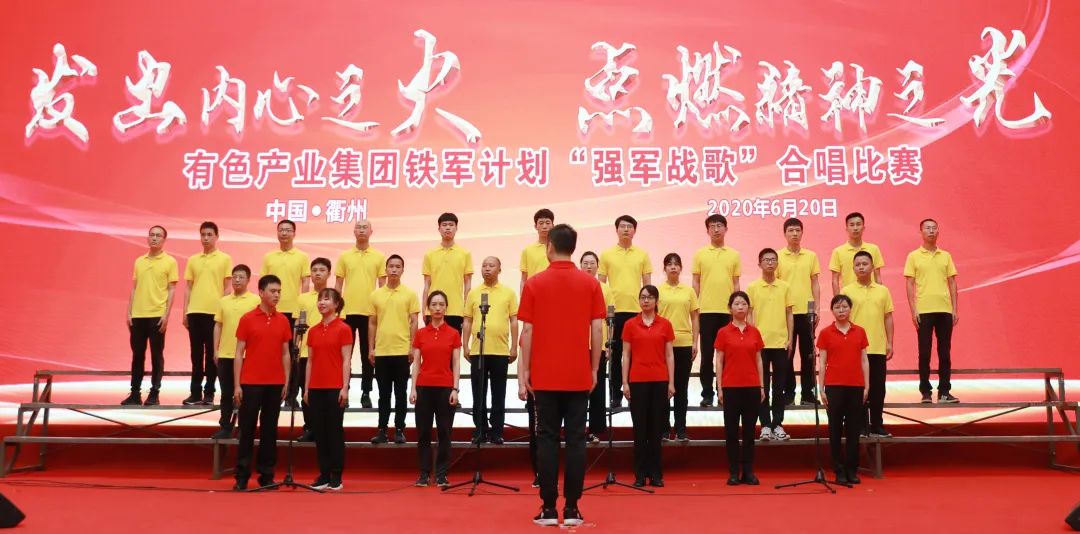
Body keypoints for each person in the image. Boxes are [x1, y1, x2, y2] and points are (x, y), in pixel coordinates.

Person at [518, 223, 604, 527]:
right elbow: (597, 329)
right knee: (577, 440)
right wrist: (593, 368)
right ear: (574, 248)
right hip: (578, 374)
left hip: (545, 375)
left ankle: (547, 507)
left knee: (547, 439)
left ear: (549, 247)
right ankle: (572, 508)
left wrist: (525, 370)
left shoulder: (534, 284)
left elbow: (527, 331)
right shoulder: (590, 284)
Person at [232, 275, 292, 491]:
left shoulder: (283, 320)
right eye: (272, 291)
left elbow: (285, 353)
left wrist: (286, 380)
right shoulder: (247, 319)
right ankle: (241, 476)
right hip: (250, 382)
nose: (276, 295)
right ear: (261, 292)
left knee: (270, 430)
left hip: (275, 383)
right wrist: (237, 384)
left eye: (279, 292)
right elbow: (239, 353)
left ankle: (266, 475)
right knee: (246, 429)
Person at [621, 285, 675, 488]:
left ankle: (656, 474)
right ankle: (639, 475)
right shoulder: (630, 324)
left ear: (656, 301)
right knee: (640, 430)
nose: (646, 301)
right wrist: (625, 382)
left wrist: (671, 382)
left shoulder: (665, 324)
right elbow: (626, 355)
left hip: (659, 380)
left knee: (655, 430)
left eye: (650, 297)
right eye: (643, 297)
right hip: (637, 381)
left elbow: (669, 354)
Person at [462, 257, 518, 445]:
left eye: (491, 266)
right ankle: (480, 430)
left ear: (499, 269)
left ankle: (497, 431)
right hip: (478, 351)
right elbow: (468, 320)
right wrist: (465, 345)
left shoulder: (508, 293)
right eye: (484, 265)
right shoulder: (474, 293)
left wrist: (514, 346)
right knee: (478, 393)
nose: (487, 269)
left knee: (498, 393)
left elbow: (513, 321)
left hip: (500, 351)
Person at [904, 218, 960, 403]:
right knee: (924, 352)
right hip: (924, 310)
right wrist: (913, 310)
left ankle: (944, 391)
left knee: (945, 352)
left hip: (944, 309)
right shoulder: (914, 256)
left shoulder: (946, 256)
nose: (931, 231)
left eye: (934, 228)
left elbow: (952, 283)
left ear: (938, 231)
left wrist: (954, 309)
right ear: (921, 232)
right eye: (927, 228)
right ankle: (925, 392)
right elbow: (909, 284)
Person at [410, 291, 462, 488]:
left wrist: (455, 388)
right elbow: (416, 362)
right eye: (434, 304)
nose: (438, 308)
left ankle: (441, 474)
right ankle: (424, 473)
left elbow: (456, 363)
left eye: (441, 304)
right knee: (423, 432)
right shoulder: (421, 334)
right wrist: (413, 388)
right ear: (428, 308)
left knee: (444, 432)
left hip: (445, 388)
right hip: (424, 387)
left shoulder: (453, 333)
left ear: (446, 308)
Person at [816, 294, 870, 485]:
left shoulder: (860, 332)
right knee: (835, 430)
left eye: (845, 307)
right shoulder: (825, 333)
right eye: (837, 307)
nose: (841, 310)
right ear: (832, 310)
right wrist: (821, 388)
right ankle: (838, 470)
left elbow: (864, 360)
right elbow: (822, 363)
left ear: (850, 309)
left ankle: (851, 470)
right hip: (834, 386)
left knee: (854, 430)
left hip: (856, 385)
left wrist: (866, 385)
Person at [598, 215, 651, 408]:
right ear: (616, 230)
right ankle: (615, 393)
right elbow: (601, 286)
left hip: (637, 311)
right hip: (614, 312)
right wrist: (604, 311)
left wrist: (648, 309)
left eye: (630, 226)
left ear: (634, 230)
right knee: (615, 354)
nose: (626, 229)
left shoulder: (642, 254)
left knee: (637, 355)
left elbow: (647, 286)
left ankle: (635, 392)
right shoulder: (607, 254)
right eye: (622, 226)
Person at [122, 225, 178, 406]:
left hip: (157, 315)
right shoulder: (139, 261)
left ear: (164, 240)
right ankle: (135, 393)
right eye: (152, 235)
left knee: (156, 355)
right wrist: (129, 311)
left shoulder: (170, 262)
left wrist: (166, 315)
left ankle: (154, 393)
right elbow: (135, 288)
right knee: (137, 355)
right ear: (147, 238)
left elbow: (172, 289)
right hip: (138, 315)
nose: (154, 238)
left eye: (158, 235)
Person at [842, 251, 895, 437]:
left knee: (878, 388)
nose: (861, 267)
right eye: (858, 264)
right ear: (853, 268)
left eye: (865, 264)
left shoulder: (883, 291)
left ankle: (877, 424)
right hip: (855, 348)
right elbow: (842, 319)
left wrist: (890, 342)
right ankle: (861, 425)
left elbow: (888, 317)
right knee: (858, 389)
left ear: (872, 267)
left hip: (877, 347)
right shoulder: (846, 291)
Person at [303, 288, 352, 491]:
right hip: (316, 387)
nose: (322, 303)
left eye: (326, 299)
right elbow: (310, 361)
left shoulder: (343, 328)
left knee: (334, 432)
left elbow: (346, 360)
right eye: (320, 299)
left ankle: (336, 475)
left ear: (336, 304)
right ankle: (323, 474)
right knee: (320, 433)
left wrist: (344, 387)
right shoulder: (313, 331)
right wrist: (307, 388)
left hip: (334, 388)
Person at [335, 219, 387, 409]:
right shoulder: (345, 256)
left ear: (371, 231)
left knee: (368, 355)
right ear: (354, 231)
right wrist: (336, 310)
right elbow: (338, 285)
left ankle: (366, 392)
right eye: (358, 227)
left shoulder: (379, 257)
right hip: (346, 313)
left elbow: (382, 286)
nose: (362, 230)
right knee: (344, 355)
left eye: (365, 227)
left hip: (370, 313)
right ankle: (344, 390)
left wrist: (381, 310)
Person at [369, 255, 420, 445]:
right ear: (386, 269)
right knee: (383, 394)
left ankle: (399, 429)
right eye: (391, 266)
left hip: (401, 351)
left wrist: (412, 347)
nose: (394, 270)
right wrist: (371, 348)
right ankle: (382, 430)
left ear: (403, 270)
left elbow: (414, 321)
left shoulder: (410, 294)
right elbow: (372, 323)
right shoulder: (376, 295)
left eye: (398, 266)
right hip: (382, 351)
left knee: (400, 393)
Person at [715, 291, 765, 485]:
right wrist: (719, 388)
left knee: (750, 432)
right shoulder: (723, 332)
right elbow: (719, 361)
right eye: (736, 304)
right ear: (730, 308)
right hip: (731, 387)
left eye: (744, 304)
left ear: (748, 308)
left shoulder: (755, 332)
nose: (740, 307)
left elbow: (759, 360)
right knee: (731, 432)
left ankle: (749, 472)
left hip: (752, 387)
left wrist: (762, 386)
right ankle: (734, 472)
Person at [260, 219, 311, 408]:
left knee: (292, 354)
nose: (284, 233)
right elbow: (264, 283)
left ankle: (291, 394)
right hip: (272, 311)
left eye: (288, 230)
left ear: (294, 233)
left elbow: (305, 283)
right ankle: (270, 391)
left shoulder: (302, 256)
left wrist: (303, 308)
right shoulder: (269, 257)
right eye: (281, 229)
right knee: (271, 352)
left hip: (293, 312)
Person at [693, 214, 741, 408]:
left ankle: (725, 391)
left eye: (719, 225)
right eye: (712, 226)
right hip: (706, 311)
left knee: (728, 355)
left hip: (727, 312)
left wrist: (737, 308)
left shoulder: (734, 255)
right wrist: (695, 307)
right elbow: (696, 283)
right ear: (707, 231)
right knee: (707, 356)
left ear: (726, 229)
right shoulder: (700, 254)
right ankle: (707, 394)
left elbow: (736, 283)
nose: (716, 229)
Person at [182, 221, 232, 406]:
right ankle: (195, 392)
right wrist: (185, 311)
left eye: (209, 234)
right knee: (195, 355)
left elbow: (227, 287)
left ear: (217, 236)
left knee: (212, 355)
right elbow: (188, 287)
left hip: (214, 313)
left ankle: (209, 393)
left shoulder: (225, 259)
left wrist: (223, 311)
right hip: (195, 311)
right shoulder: (193, 260)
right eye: (203, 234)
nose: (206, 238)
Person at [747, 248, 794, 441]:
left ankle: (778, 424)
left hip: (781, 342)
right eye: (766, 260)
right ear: (759, 264)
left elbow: (789, 313)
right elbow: (749, 314)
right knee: (762, 386)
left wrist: (790, 338)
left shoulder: (785, 287)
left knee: (779, 386)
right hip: (760, 344)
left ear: (777, 263)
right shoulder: (752, 288)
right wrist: (752, 338)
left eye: (773, 259)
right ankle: (765, 425)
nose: (770, 263)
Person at [211, 264, 260, 439]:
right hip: (226, 354)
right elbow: (218, 325)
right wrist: (215, 349)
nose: (237, 280)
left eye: (241, 277)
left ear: (248, 280)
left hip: (248, 356)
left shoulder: (255, 301)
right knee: (226, 393)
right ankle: (225, 426)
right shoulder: (223, 301)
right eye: (234, 277)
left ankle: (244, 427)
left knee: (247, 394)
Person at [776, 217, 820, 405]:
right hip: (786, 312)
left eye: (797, 230)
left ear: (802, 232)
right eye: (790, 230)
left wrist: (817, 307)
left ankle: (808, 394)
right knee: (787, 354)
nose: (794, 234)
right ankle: (788, 393)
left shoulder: (811, 256)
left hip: (807, 312)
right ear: (784, 233)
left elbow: (815, 283)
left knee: (808, 355)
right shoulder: (778, 256)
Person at [657, 253, 699, 441]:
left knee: (681, 388)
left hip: (684, 343)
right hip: (663, 344)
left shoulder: (689, 291)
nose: (673, 267)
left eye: (676, 264)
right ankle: (664, 429)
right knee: (663, 388)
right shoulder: (658, 290)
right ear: (664, 269)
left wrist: (695, 341)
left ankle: (681, 429)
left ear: (681, 268)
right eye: (669, 264)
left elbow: (695, 318)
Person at [295, 258, 333, 441]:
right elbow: (298, 322)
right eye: (314, 270)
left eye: (322, 270)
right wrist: (296, 345)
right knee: (306, 392)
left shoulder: (334, 297)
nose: (318, 273)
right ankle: (310, 427)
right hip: (305, 353)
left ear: (329, 273)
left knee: (326, 393)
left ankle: (325, 427)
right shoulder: (303, 298)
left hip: (328, 354)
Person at [580, 251, 612, 444]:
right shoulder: (576, 285)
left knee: (598, 387)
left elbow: (609, 319)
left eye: (592, 263)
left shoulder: (605, 289)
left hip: (599, 345)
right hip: (579, 345)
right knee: (578, 389)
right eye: (585, 263)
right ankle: (578, 428)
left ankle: (596, 429)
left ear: (598, 267)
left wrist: (609, 344)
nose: (589, 266)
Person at [422, 212, 473, 333]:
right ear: (439, 229)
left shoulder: (465, 254)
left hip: (456, 311)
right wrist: (425, 309)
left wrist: (466, 309)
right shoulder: (430, 254)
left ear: (456, 228)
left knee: (454, 344)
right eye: (444, 225)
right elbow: (427, 284)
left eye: (451, 225)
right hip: (433, 309)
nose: (448, 228)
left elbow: (468, 284)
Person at [829, 212, 883, 295]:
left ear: (863, 228)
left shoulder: (874, 249)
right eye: (852, 225)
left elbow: (877, 276)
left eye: (858, 224)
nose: (855, 228)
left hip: (870, 295)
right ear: (846, 228)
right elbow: (835, 280)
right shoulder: (838, 251)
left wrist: (879, 295)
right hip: (848, 298)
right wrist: (838, 300)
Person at [520, 209, 554, 293]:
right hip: (534, 293)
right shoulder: (527, 250)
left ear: (553, 225)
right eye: (541, 223)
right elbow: (524, 279)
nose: (544, 226)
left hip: (554, 292)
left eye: (548, 223)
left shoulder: (559, 248)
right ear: (535, 226)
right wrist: (522, 298)